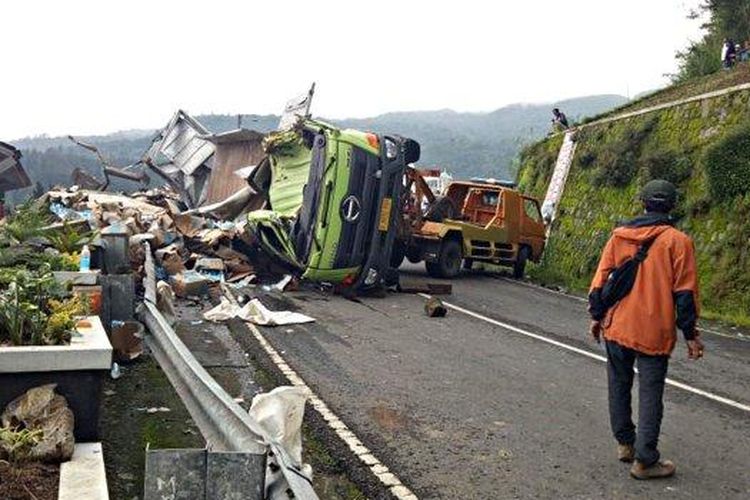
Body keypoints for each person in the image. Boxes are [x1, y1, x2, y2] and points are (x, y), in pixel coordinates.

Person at [588, 179, 703, 480]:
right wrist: (690, 335)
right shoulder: (679, 242)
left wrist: (596, 316)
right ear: (672, 207)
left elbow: (601, 282)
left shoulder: (619, 236)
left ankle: (625, 444)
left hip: (617, 325)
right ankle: (645, 460)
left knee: (618, 383)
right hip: (654, 330)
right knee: (651, 392)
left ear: (643, 203)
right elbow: (685, 294)